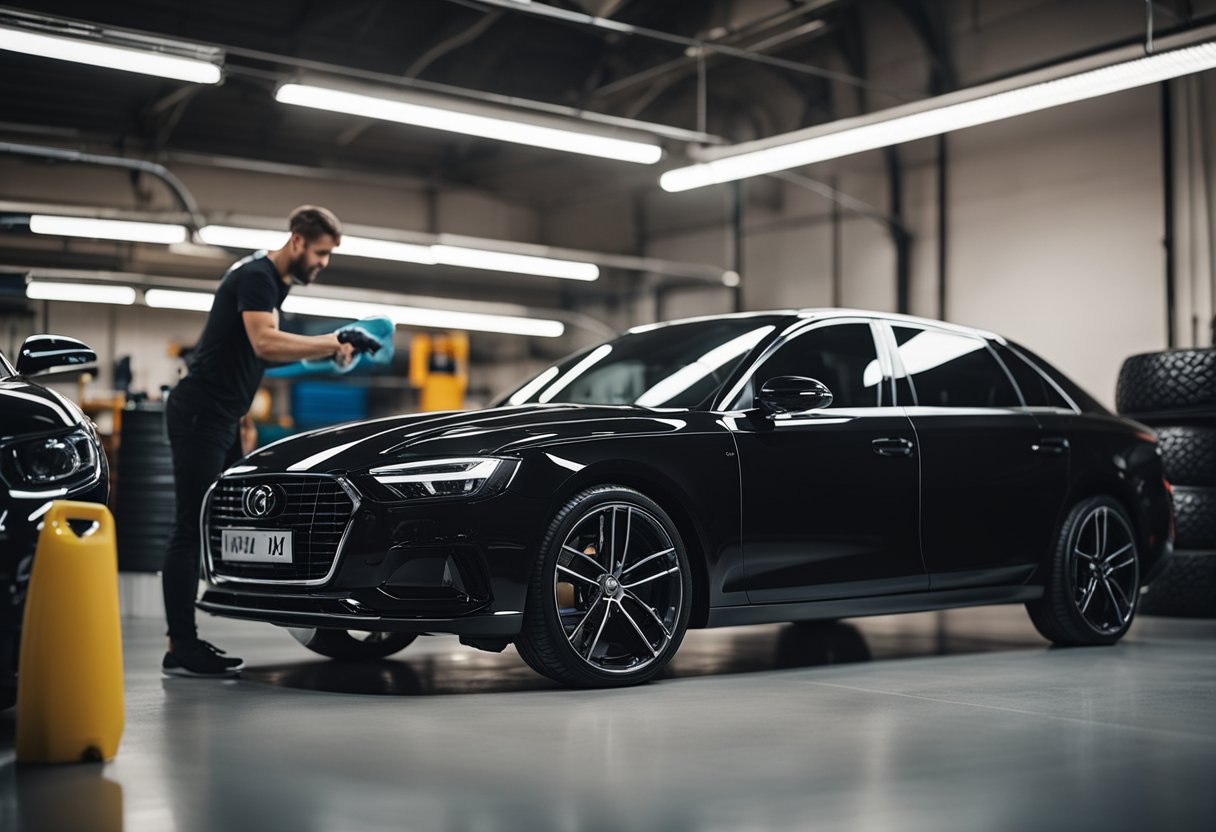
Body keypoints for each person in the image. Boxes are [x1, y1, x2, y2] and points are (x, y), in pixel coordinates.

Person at [161, 205, 371, 677]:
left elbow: (255, 356)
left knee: (228, 521)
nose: (323, 263)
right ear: (297, 240)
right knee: (190, 527)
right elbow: (264, 344)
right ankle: (180, 645)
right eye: (320, 253)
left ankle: (215, 621)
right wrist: (333, 338)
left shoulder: (273, 285)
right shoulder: (256, 276)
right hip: (199, 414)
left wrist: (328, 355)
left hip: (224, 417)